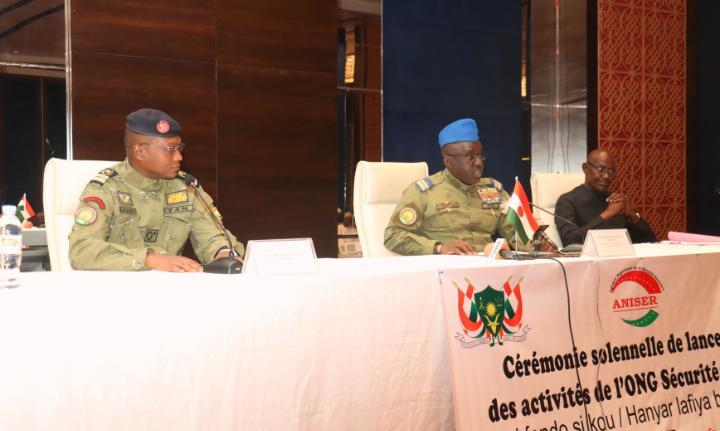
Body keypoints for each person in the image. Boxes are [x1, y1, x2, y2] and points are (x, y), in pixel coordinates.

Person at [69, 108, 244, 272]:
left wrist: (224, 253)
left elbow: (213, 236)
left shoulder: (185, 187)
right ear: (139, 152)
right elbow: (81, 250)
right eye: (170, 150)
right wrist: (149, 260)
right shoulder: (105, 189)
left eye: (179, 148)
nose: (179, 157)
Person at [384, 118, 531, 255]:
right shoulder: (424, 192)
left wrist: (536, 245)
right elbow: (393, 236)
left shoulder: (493, 190)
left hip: (488, 266)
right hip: (445, 269)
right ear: (447, 160)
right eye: (470, 157)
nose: (479, 163)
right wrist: (439, 248)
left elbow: (515, 233)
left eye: (480, 155)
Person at [554, 149, 656, 246]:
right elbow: (569, 241)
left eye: (611, 171)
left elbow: (650, 241)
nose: (607, 176)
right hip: (587, 258)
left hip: (619, 256)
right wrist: (607, 214)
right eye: (600, 169)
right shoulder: (567, 201)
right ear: (585, 168)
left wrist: (633, 216)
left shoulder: (615, 201)